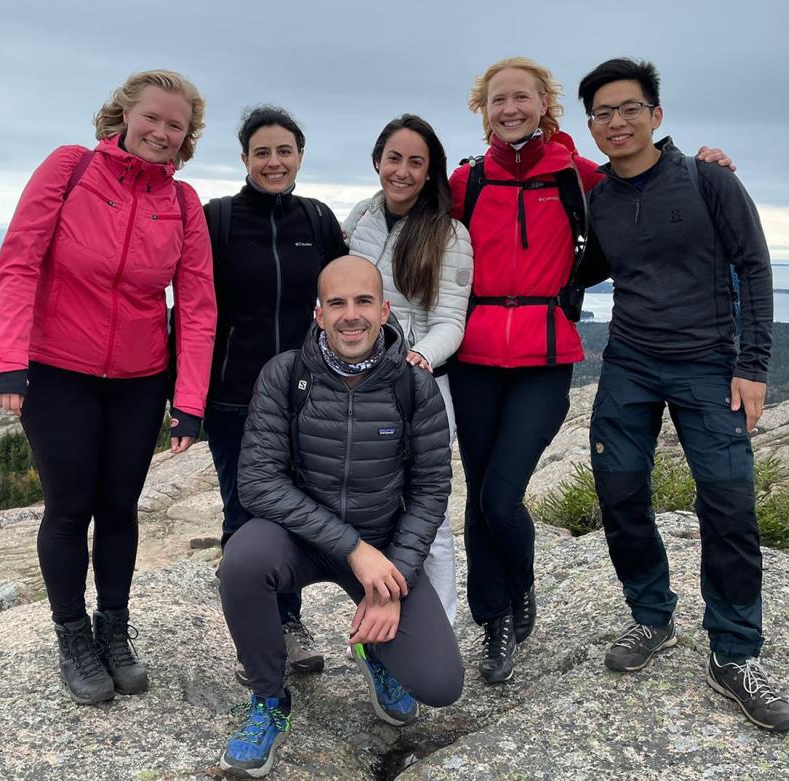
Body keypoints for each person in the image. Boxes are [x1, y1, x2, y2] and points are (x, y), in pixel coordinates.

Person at [449, 56, 733, 684]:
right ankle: (495, 619)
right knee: (478, 497)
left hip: (545, 356)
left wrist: (705, 166)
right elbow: (411, 223)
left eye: (521, 98)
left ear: (543, 104)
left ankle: (519, 588)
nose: (509, 110)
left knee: (501, 494)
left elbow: (650, 192)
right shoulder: (465, 182)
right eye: (497, 101)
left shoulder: (580, 178)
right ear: (483, 110)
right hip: (472, 357)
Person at [576, 57, 789, 732]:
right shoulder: (599, 201)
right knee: (617, 489)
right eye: (603, 113)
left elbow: (754, 265)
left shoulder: (707, 181)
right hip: (631, 362)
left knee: (728, 502)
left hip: (709, 363)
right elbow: (570, 272)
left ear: (656, 115)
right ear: (591, 126)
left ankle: (733, 652)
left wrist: (752, 365)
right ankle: (651, 614)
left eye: (629, 108)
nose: (617, 122)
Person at [0, 69, 215, 705]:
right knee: (69, 507)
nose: (162, 132)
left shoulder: (184, 202)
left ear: (186, 136)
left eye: (176, 125)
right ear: (123, 116)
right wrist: (9, 359)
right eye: (152, 118)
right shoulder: (70, 168)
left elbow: (197, 305)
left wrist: (188, 400)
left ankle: (114, 629)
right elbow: (18, 260)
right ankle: (72, 633)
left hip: (140, 380)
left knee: (120, 507)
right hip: (58, 369)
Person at [217, 257, 463, 779]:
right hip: (302, 541)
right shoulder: (286, 375)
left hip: (384, 547)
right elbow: (258, 481)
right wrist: (354, 549)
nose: (351, 316)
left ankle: (376, 654)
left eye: (363, 301)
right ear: (319, 313)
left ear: (384, 309)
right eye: (337, 304)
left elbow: (430, 490)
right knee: (242, 560)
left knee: (441, 685)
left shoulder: (415, 387)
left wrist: (393, 582)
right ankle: (268, 699)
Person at [204, 105, 348, 680]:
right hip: (234, 397)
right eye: (261, 152)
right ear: (243, 159)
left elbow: (344, 303)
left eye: (284, 151)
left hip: (307, 394)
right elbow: (192, 312)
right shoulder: (217, 220)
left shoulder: (316, 221)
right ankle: (260, 640)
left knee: (299, 510)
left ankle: (288, 622)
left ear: (299, 157)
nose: (273, 161)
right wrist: (185, 398)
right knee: (245, 514)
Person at [342, 114, 473, 623]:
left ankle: (439, 626)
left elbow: (451, 322)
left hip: (422, 388)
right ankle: (381, 621)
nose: (402, 171)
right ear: (377, 161)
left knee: (428, 518)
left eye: (415, 162)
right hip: (359, 385)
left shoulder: (449, 234)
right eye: (393, 158)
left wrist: (417, 359)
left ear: (430, 170)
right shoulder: (361, 218)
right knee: (372, 512)